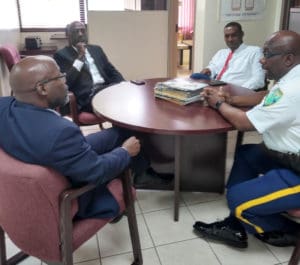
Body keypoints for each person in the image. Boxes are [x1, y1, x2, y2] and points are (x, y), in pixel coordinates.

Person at [0, 55, 168, 220]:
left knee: (120, 132)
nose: (66, 83)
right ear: (42, 89)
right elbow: (97, 172)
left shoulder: (4, 106)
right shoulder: (61, 132)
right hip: (72, 184)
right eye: (61, 76)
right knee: (126, 146)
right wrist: (125, 151)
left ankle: (141, 171)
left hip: (55, 157)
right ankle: (133, 175)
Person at [193, 30, 300, 248]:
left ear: (288, 59)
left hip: (297, 167)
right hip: (282, 154)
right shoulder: (291, 77)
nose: (262, 59)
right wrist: (232, 99)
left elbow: (243, 123)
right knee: (246, 154)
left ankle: (286, 230)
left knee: (237, 200)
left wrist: (218, 103)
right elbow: (266, 96)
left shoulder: (292, 89)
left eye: (267, 54)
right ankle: (236, 221)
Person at [53, 21, 124, 113]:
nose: (80, 34)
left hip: (105, 90)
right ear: (68, 35)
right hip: (87, 97)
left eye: (82, 31)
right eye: (76, 31)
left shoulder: (96, 49)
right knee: (117, 101)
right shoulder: (62, 55)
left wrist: (123, 84)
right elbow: (67, 82)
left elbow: (111, 71)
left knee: (125, 95)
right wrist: (80, 57)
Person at [199, 21, 265, 90]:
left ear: (242, 34)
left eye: (234, 35)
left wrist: (240, 91)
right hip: (215, 88)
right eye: (227, 36)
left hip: (236, 93)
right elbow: (213, 67)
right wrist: (209, 70)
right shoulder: (221, 53)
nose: (230, 39)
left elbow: (258, 79)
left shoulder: (254, 52)